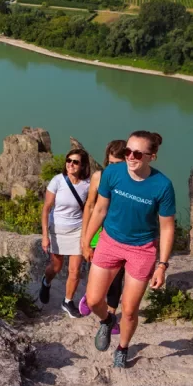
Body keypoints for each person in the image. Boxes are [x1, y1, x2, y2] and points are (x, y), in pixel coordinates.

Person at [82, 131, 175, 369]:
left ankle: (122, 348)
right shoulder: (112, 173)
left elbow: (166, 228)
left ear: (151, 156)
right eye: (127, 152)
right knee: (93, 300)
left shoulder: (162, 186)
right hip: (110, 241)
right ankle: (106, 319)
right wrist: (86, 239)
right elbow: (100, 209)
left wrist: (162, 265)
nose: (130, 157)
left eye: (137, 153)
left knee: (131, 310)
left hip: (142, 249)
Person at [78, 140, 127, 331]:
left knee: (117, 277)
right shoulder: (99, 177)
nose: (114, 167)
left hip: (120, 233)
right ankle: (91, 295)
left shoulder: (132, 181)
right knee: (98, 270)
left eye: (118, 164)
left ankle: (111, 316)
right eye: (111, 163)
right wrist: (85, 238)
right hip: (99, 232)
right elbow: (90, 206)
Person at [39, 148, 91, 318]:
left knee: (75, 271)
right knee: (56, 266)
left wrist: (87, 236)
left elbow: (91, 209)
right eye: (68, 160)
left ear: (83, 165)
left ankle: (68, 301)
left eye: (75, 162)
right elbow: (46, 208)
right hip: (57, 229)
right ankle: (46, 282)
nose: (70, 164)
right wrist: (45, 235)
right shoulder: (58, 181)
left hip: (77, 229)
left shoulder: (88, 184)